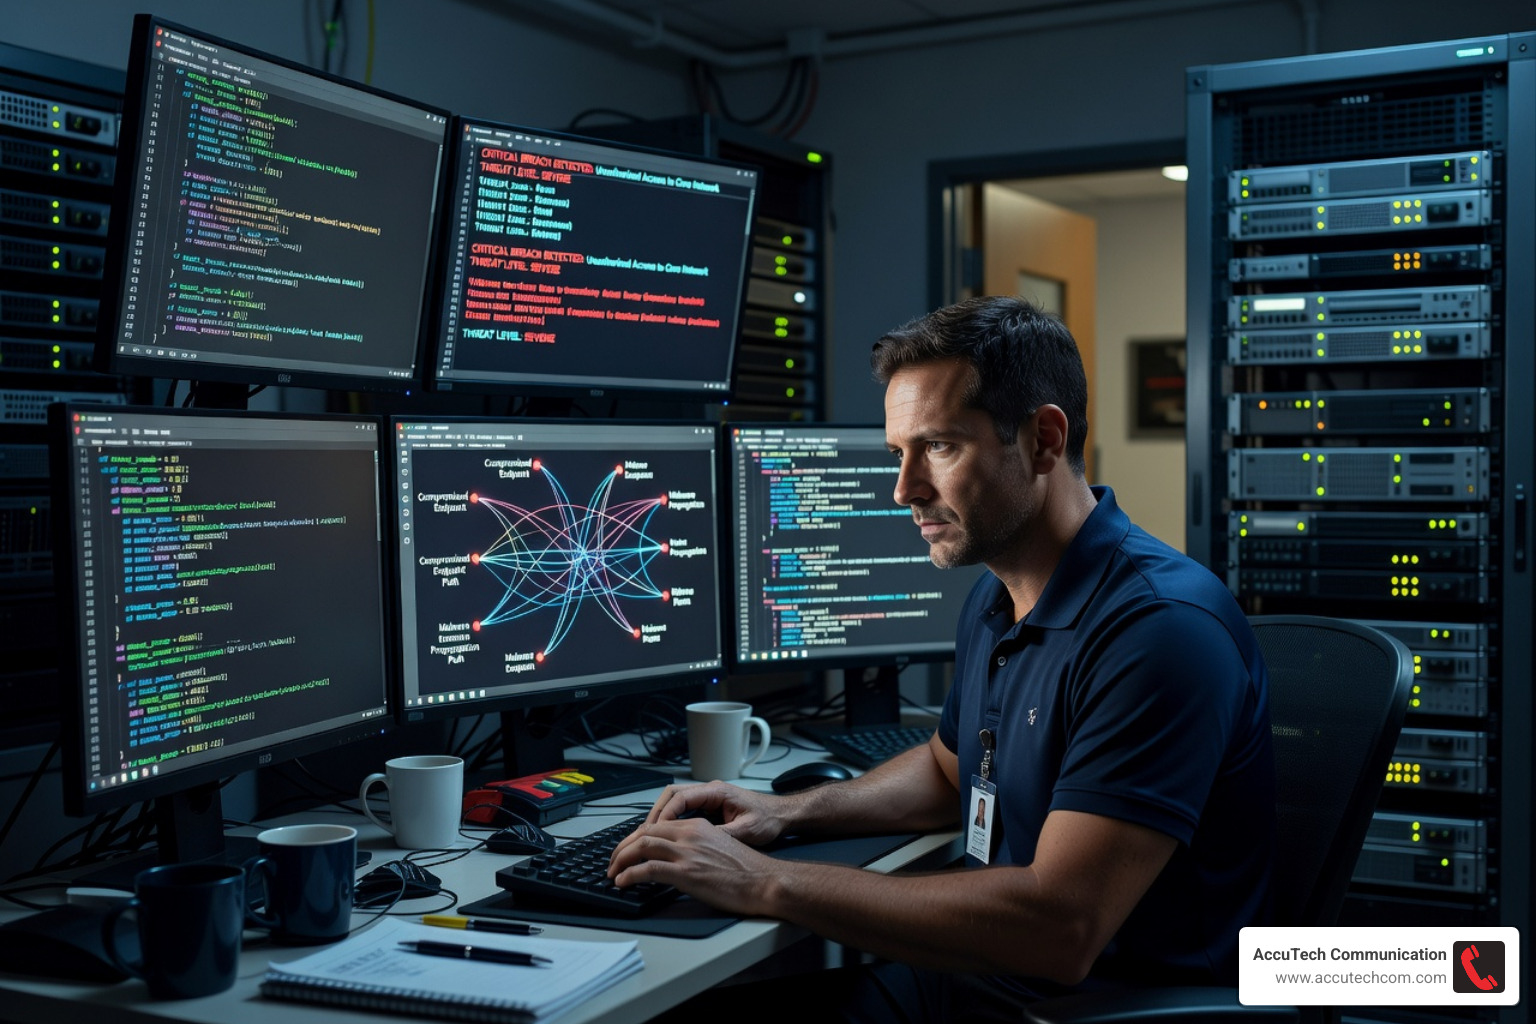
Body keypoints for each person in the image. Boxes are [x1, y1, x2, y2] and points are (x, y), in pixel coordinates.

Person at [609, 296, 1274, 1020]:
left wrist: (762, 879)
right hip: (979, 981)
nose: (905, 490)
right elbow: (947, 770)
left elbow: (1060, 928)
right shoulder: (1002, 596)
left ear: (1044, 441)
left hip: (1092, 1007)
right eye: (899, 453)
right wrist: (782, 813)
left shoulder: (1158, 631)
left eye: (940, 447)